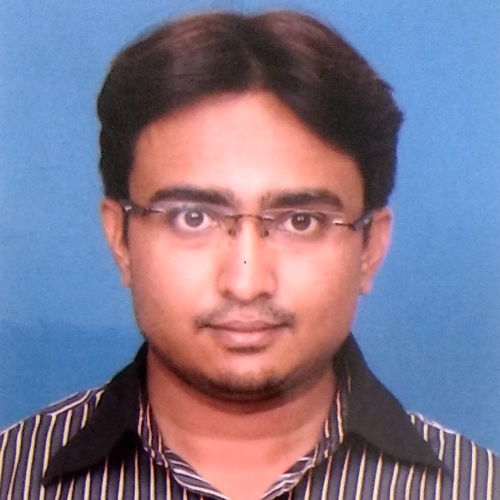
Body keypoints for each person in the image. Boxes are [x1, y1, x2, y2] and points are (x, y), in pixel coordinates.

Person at [0, 10, 498, 500]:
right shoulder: (13, 476)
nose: (246, 283)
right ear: (120, 238)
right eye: (193, 217)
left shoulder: (478, 487)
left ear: (370, 247)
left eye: (300, 221)